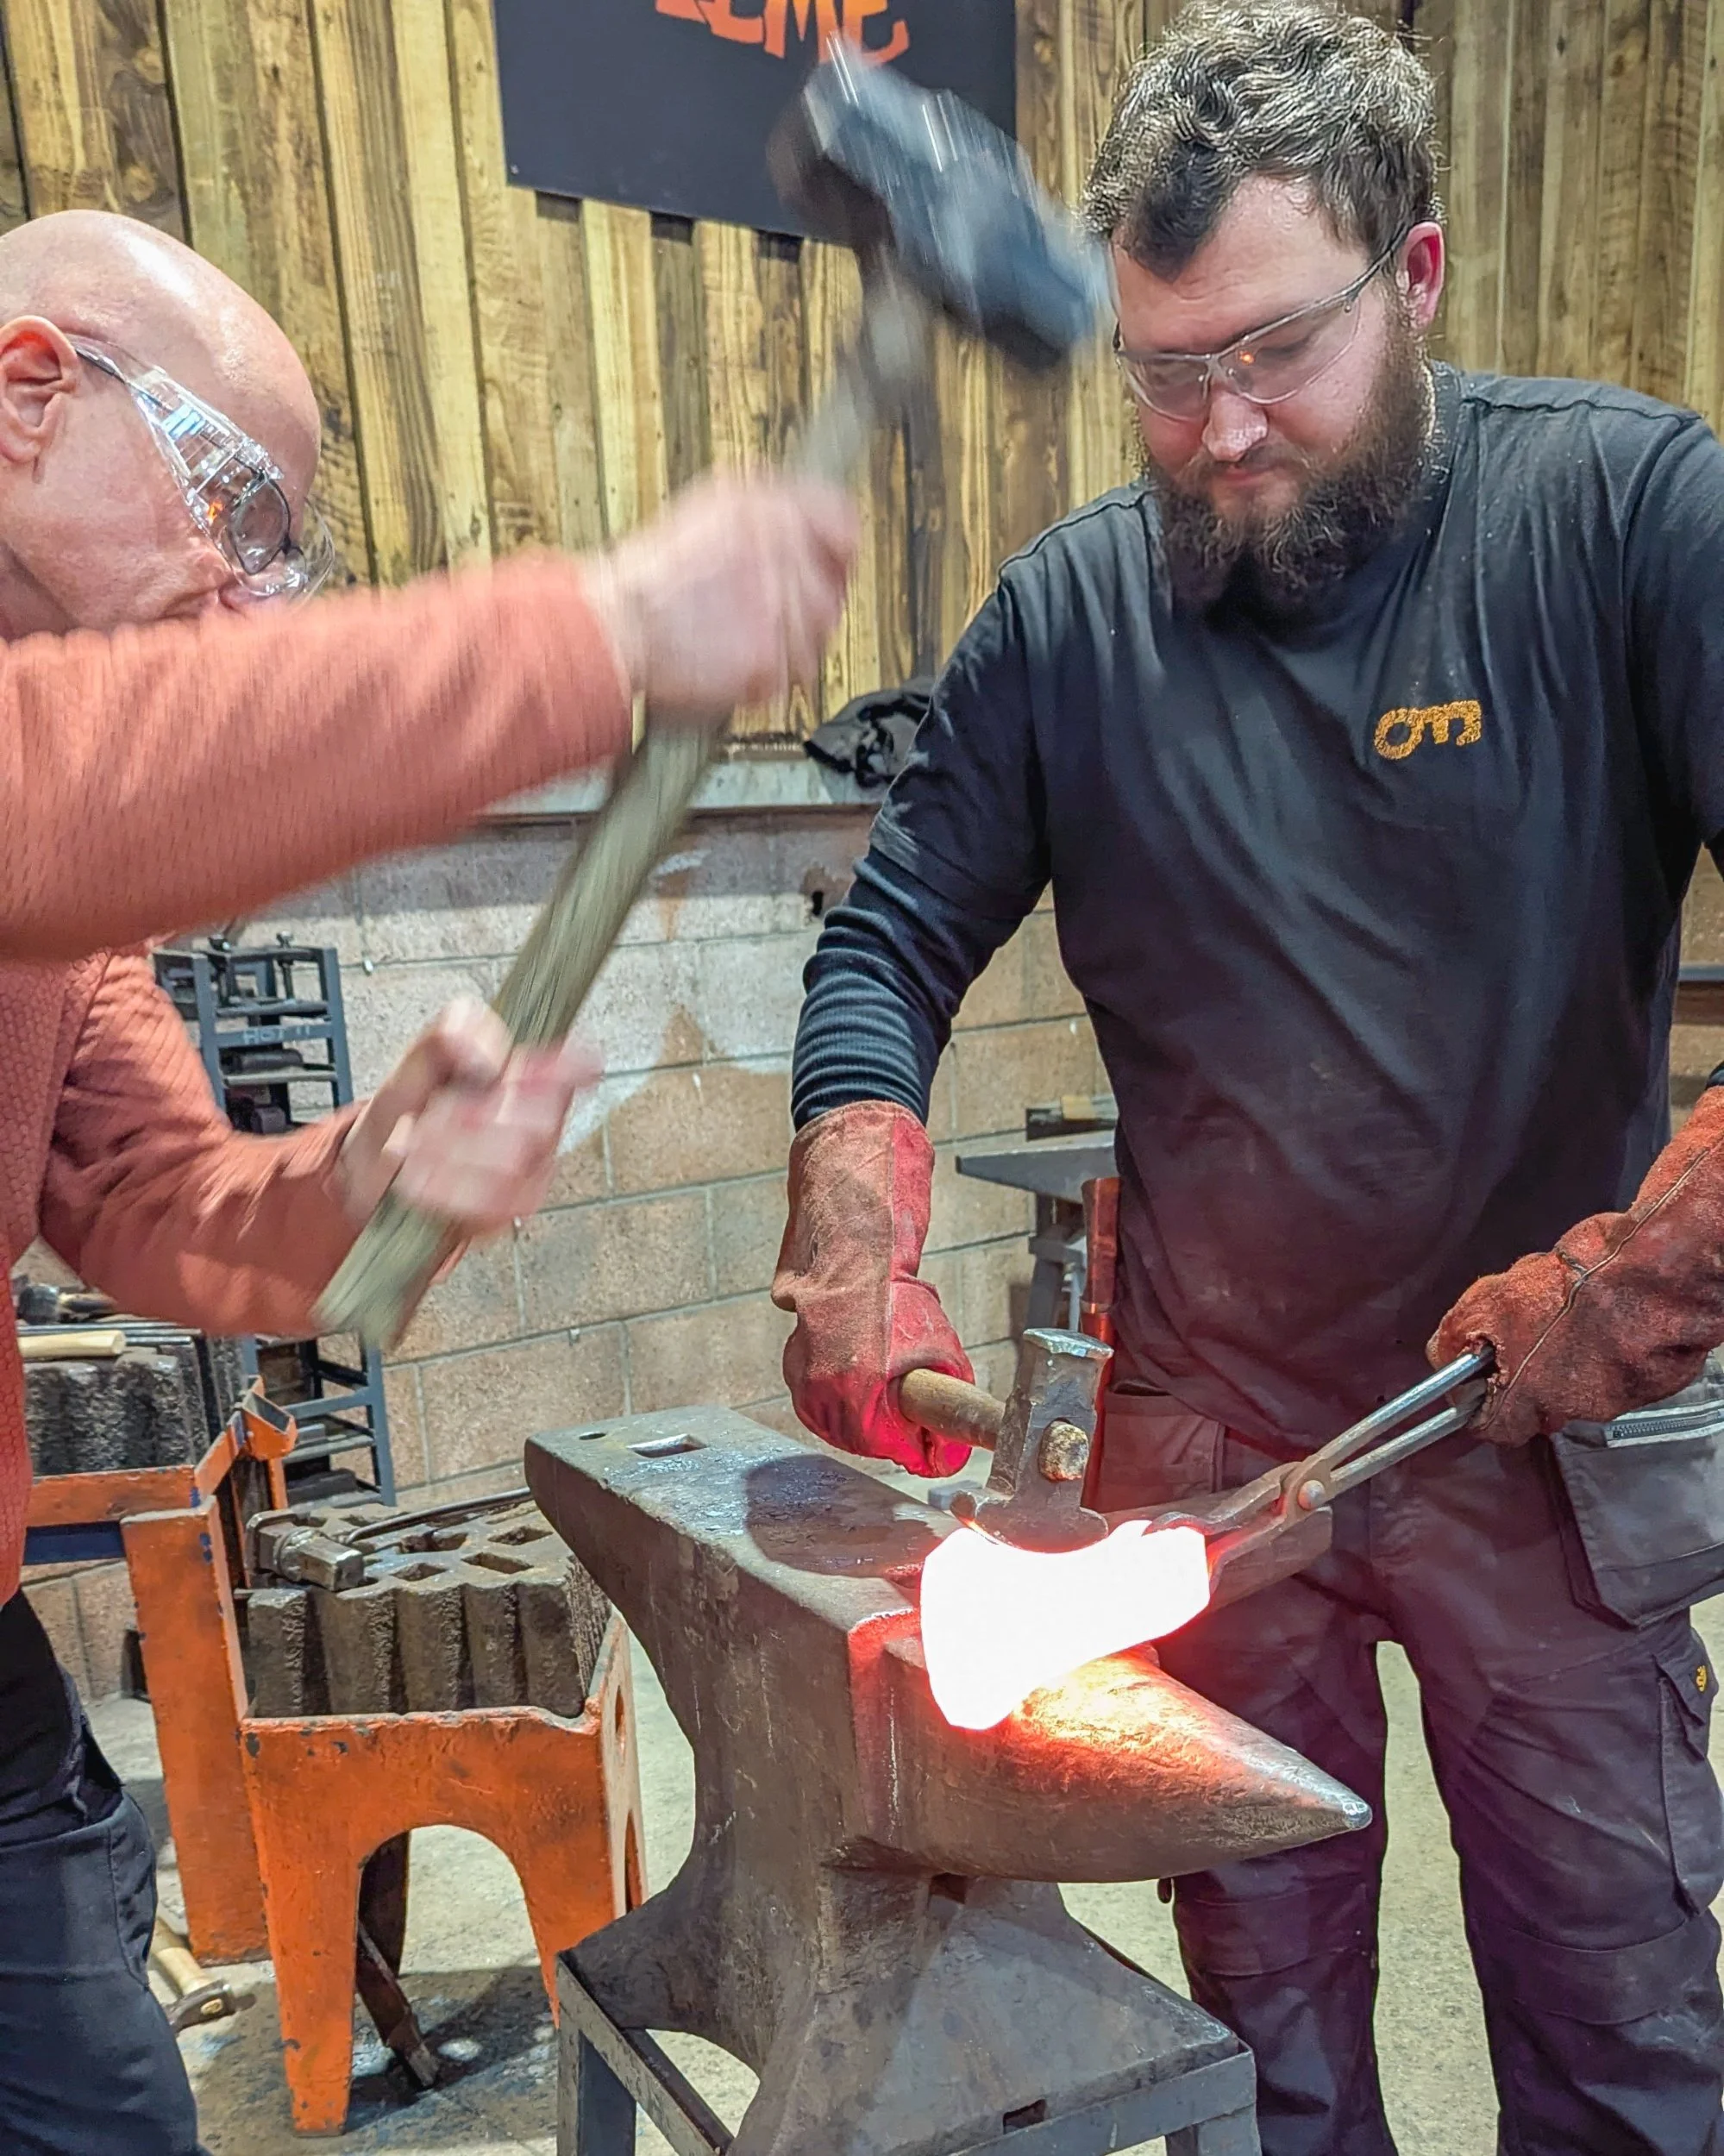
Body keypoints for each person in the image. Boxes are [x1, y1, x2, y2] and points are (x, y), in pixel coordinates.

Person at [772, 6, 1724, 2152]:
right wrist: (854, 1217)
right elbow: (889, 939)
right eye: (1163, 369)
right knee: (1258, 2037)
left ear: (1419, 273)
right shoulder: (1071, 624)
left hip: (1538, 1427)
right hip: (1211, 1446)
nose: (1216, 430)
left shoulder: (1630, 521)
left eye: (1273, 353)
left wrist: (1648, 1277)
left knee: (1622, 2013)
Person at [0, 210, 855, 2156]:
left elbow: (150, 1198)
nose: (241, 599)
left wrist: (364, 1174)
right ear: (29, 392)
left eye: (282, 557)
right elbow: (51, 786)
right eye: (226, 499)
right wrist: (601, 631)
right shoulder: (47, 768)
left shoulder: (73, 881)